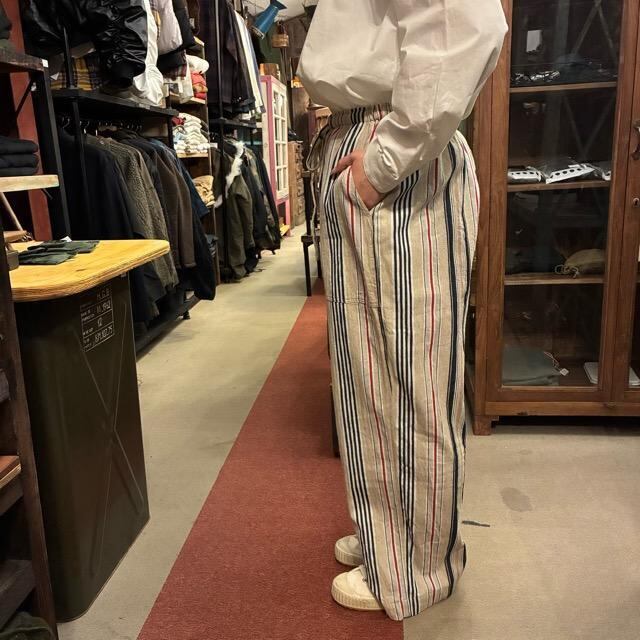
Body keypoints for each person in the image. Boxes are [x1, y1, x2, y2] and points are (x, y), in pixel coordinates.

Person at [298, 0, 507, 621]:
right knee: (369, 374)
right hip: (374, 143)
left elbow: (462, 20)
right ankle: (387, 534)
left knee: (412, 377)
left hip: (398, 155)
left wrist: (386, 158)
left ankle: (418, 566)